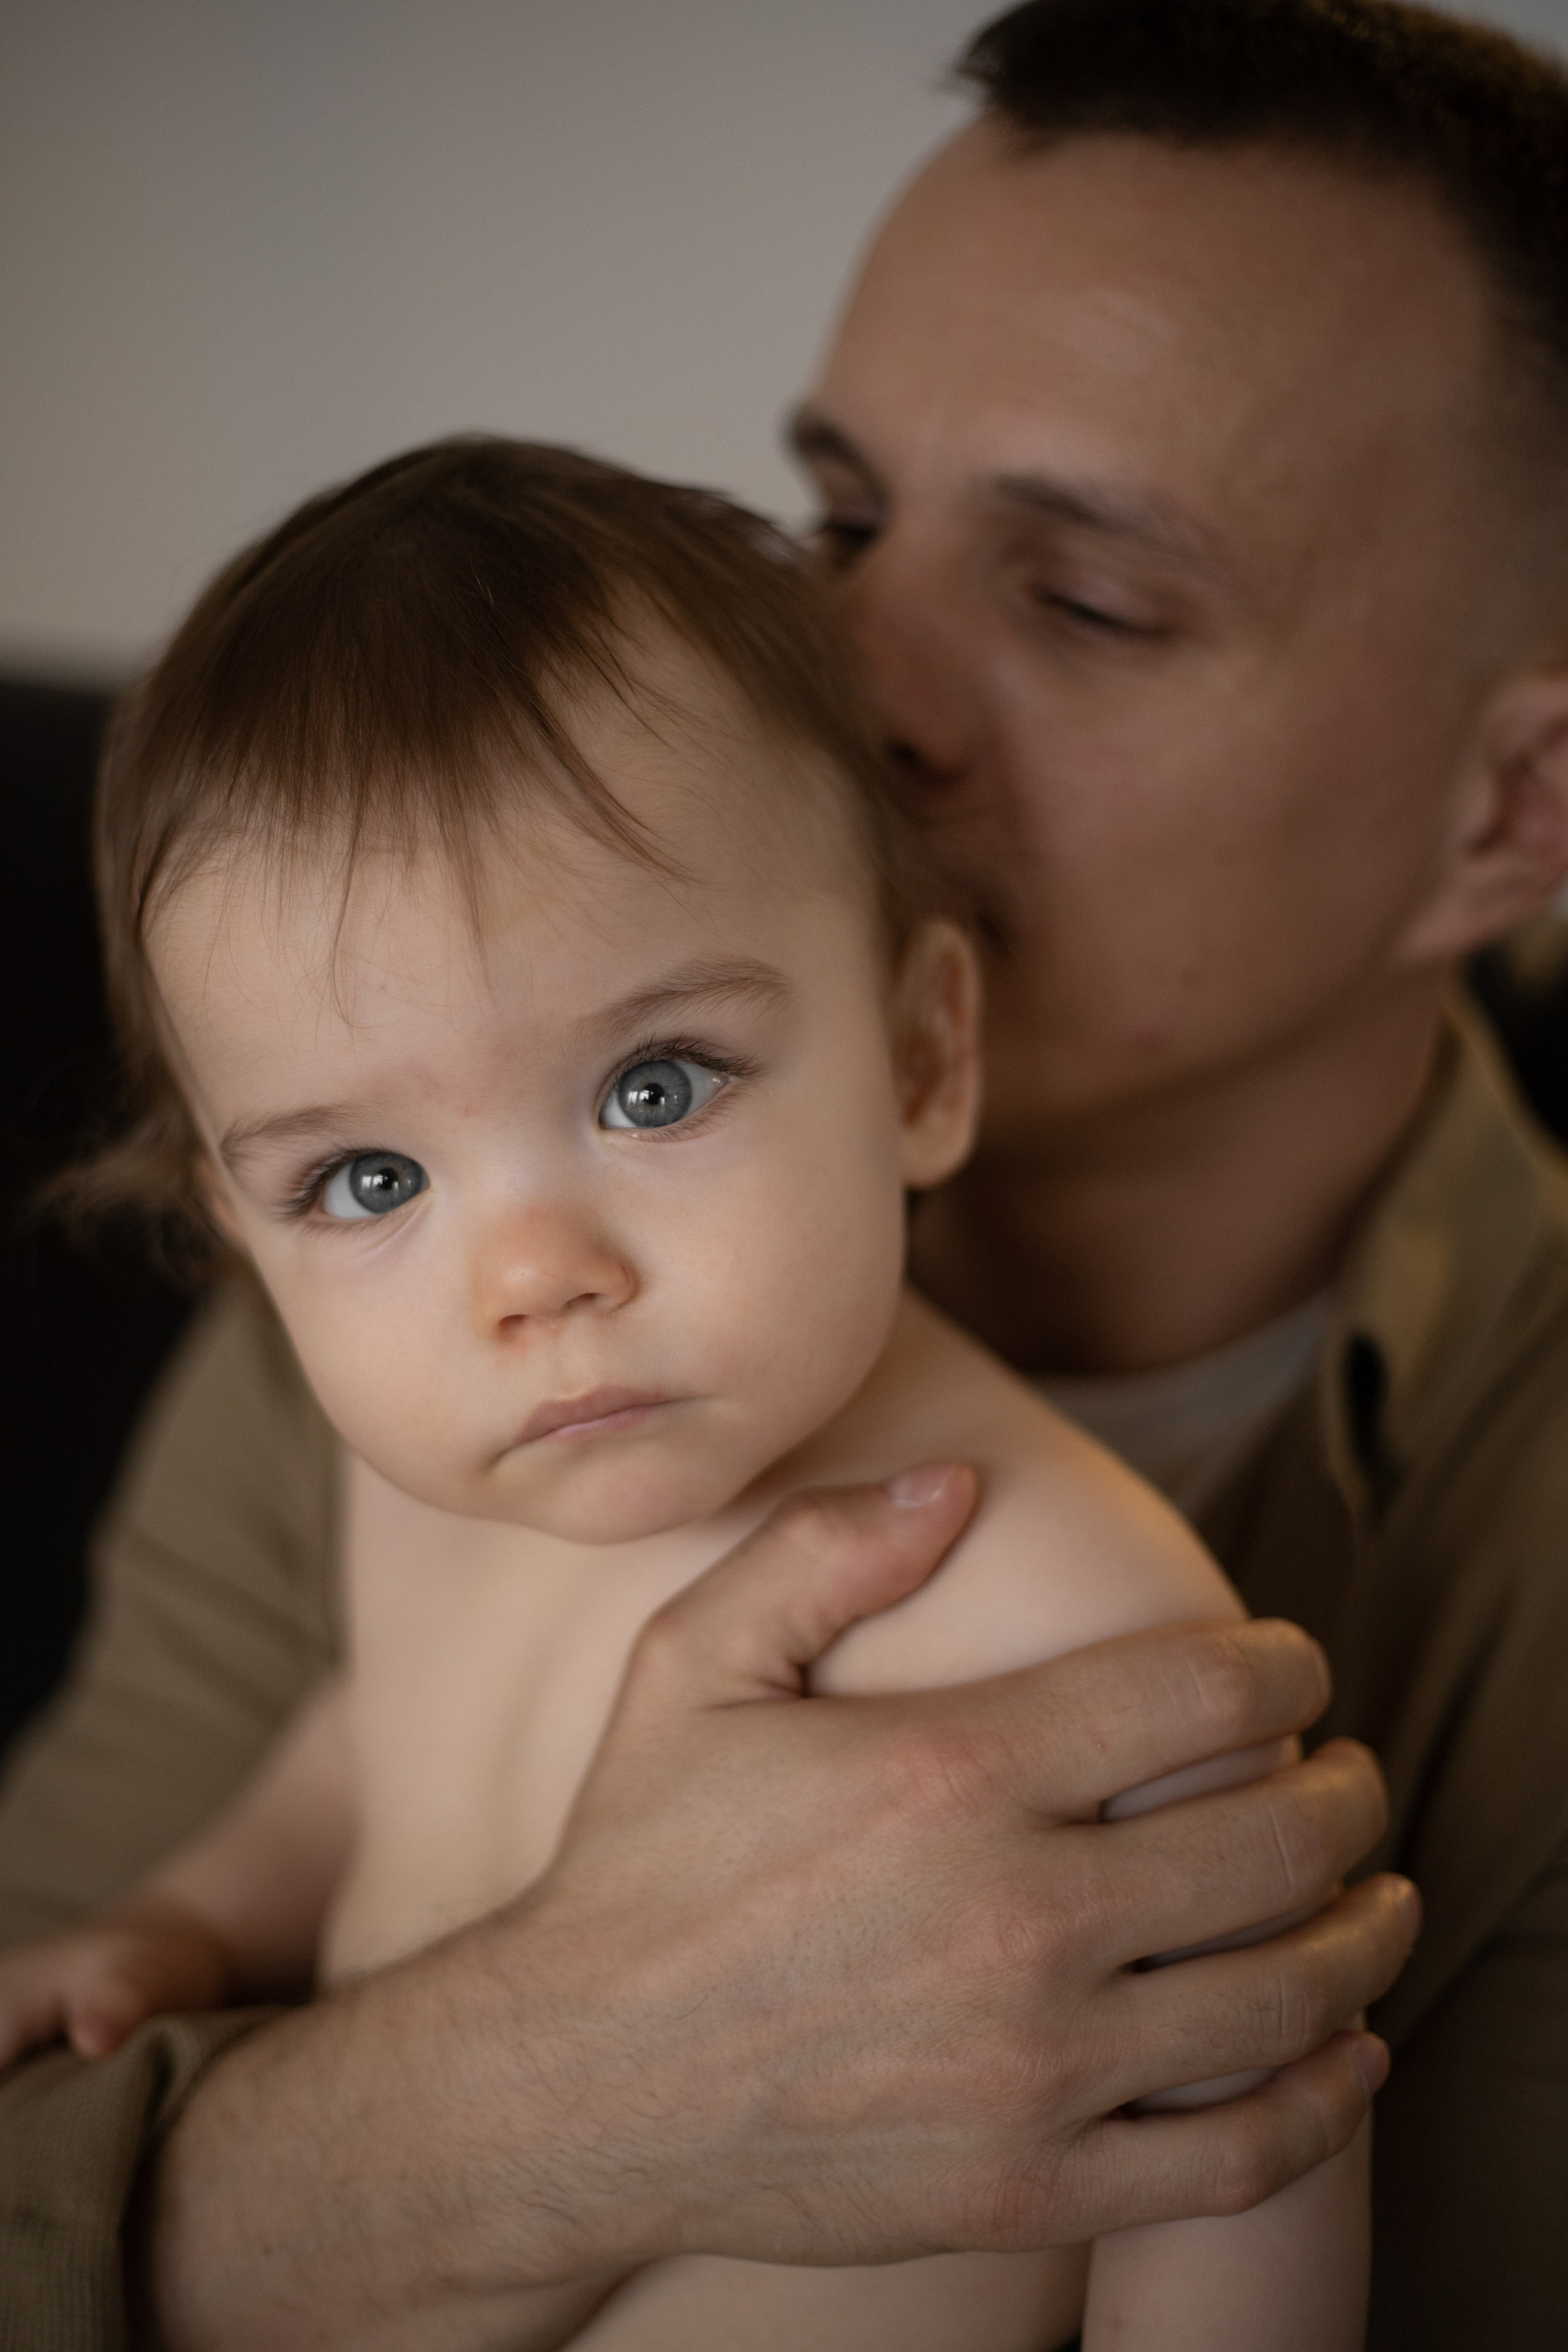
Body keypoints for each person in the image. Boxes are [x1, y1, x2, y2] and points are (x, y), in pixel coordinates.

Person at [6, 0, 1564, 2343]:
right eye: (843, 516)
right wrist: (548, 2090)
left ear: (1514, 817)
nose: (850, 672)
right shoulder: (449, 1255)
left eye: (1088, 600)